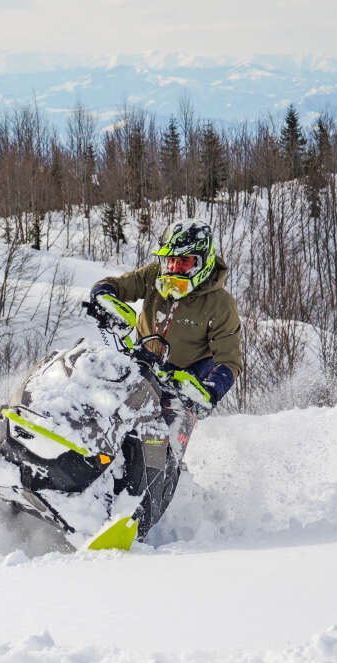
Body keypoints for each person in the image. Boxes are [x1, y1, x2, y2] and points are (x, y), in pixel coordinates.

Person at [87, 218, 243, 533]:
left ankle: (144, 518)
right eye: (169, 260)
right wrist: (104, 295)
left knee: (162, 448)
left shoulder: (220, 303)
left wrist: (210, 390)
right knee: (97, 411)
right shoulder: (154, 276)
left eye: (182, 261)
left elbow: (229, 360)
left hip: (183, 387)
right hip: (137, 365)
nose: (173, 268)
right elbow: (120, 285)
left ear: (202, 261)